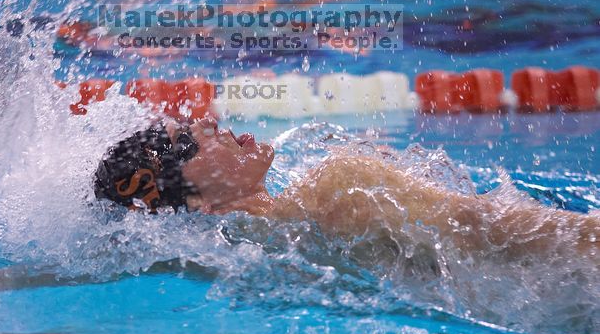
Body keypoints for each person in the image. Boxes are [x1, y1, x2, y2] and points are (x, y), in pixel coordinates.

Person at [94, 117, 600, 258]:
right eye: (192, 139)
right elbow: (509, 231)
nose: (212, 123)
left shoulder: (230, 261)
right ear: (197, 202)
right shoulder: (345, 188)